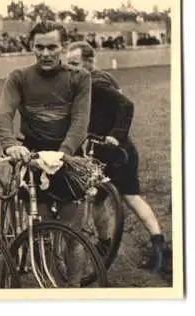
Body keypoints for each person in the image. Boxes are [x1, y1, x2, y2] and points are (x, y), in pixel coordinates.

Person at [0, 21, 91, 287]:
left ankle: (75, 288)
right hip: (33, 158)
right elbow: (3, 115)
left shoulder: (79, 77)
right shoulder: (19, 77)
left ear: (63, 47)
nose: (46, 53)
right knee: (42, 230)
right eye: (39, 47)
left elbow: (80, 121)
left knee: (73, 233)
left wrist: (63, 154)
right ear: (31, 47)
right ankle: (49, 286)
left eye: (52, 47)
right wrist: (10, 143)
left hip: (68, 160)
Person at [65, 41, 172, 275]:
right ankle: (105, 244)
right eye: (68, 64)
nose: (70, 69)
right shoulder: (94, 80)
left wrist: (115, 136)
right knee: (97, 199)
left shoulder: (97, 83)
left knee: (131, 198)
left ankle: (160, 246)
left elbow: (127, 105)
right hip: (101, 152)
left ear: (89, 63)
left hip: (117, 151)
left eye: (75, 64)